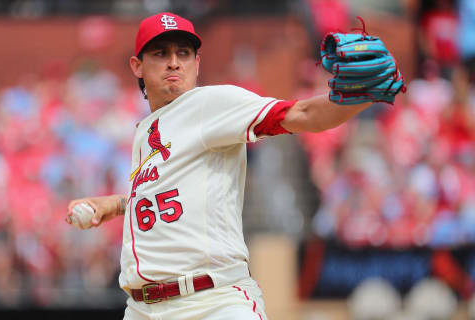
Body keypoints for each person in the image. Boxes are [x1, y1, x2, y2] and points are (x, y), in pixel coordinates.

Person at [66, 12, 371, 319]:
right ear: (138, 66)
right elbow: (168, 194)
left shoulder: (209, 105)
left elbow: (304, 114)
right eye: (161, 53)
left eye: (183, 53)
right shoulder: (145, 131)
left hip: (211, 303)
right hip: (142, 309)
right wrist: (117, 204)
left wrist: (362, 91)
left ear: (197, 63)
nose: (174, 62)